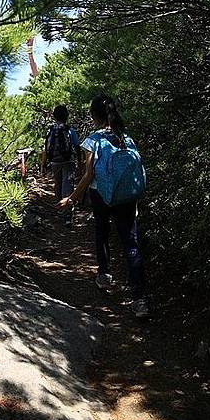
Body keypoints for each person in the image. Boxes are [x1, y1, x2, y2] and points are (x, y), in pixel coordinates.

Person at [57, 95, 149, 318]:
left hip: (101, 195)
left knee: (102, 232)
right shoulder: (126, 138)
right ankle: (139, 299)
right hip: (126, 197)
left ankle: (105, 276)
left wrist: (71, 199)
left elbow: (89, 175)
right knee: (131, 242)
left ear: (93, 115)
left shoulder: (93, 140)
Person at [41, 104, 81, 227]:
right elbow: (77, 146)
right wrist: (80, 162)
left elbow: (45, 149)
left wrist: (43, 165)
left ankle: (59, 208)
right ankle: (67, 215)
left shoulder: (50, 131)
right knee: (67, 185)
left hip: (54, 162)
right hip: (68, 161)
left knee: (58, 185)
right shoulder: (70, 130)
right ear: (67, 116)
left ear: (54, 116)